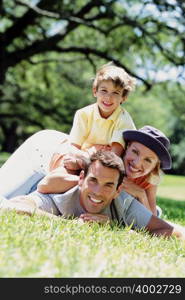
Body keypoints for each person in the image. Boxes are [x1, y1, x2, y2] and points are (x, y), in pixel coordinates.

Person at [1, 151, 185, 241]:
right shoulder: (62, 195)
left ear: (118, 190)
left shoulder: (123, 204)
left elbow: (175, 232)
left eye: (108, 185)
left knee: (154, 215)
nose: (98, 192)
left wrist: (115, 229)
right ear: (81, 179)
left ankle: (156, 210)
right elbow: (13, 206)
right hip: (42, 156)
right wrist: (70, 224)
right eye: (93, 180)